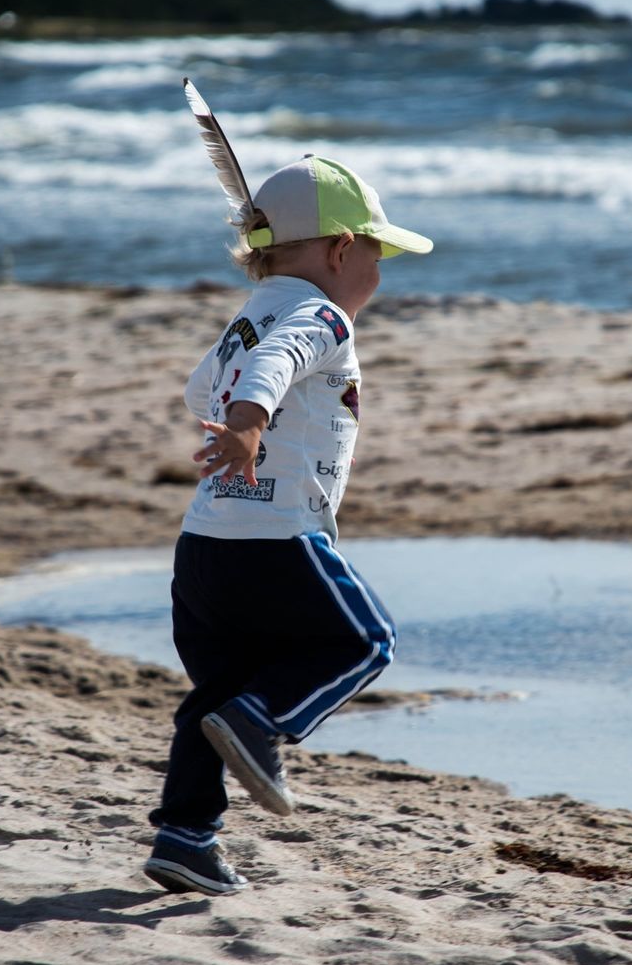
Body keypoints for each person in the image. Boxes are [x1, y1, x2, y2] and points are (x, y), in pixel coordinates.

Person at [144, 153, 433, 896]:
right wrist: (246, 424)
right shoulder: (320, 314)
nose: (378, 270)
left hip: (206, 547)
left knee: (215, 695)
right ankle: (264, 722)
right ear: (342, 250)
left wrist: (234, 413)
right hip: (278, 537)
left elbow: (197, 384)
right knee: (365, 640)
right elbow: (277, 364)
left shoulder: (249, 314)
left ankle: (186, 838)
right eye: (377, 253)